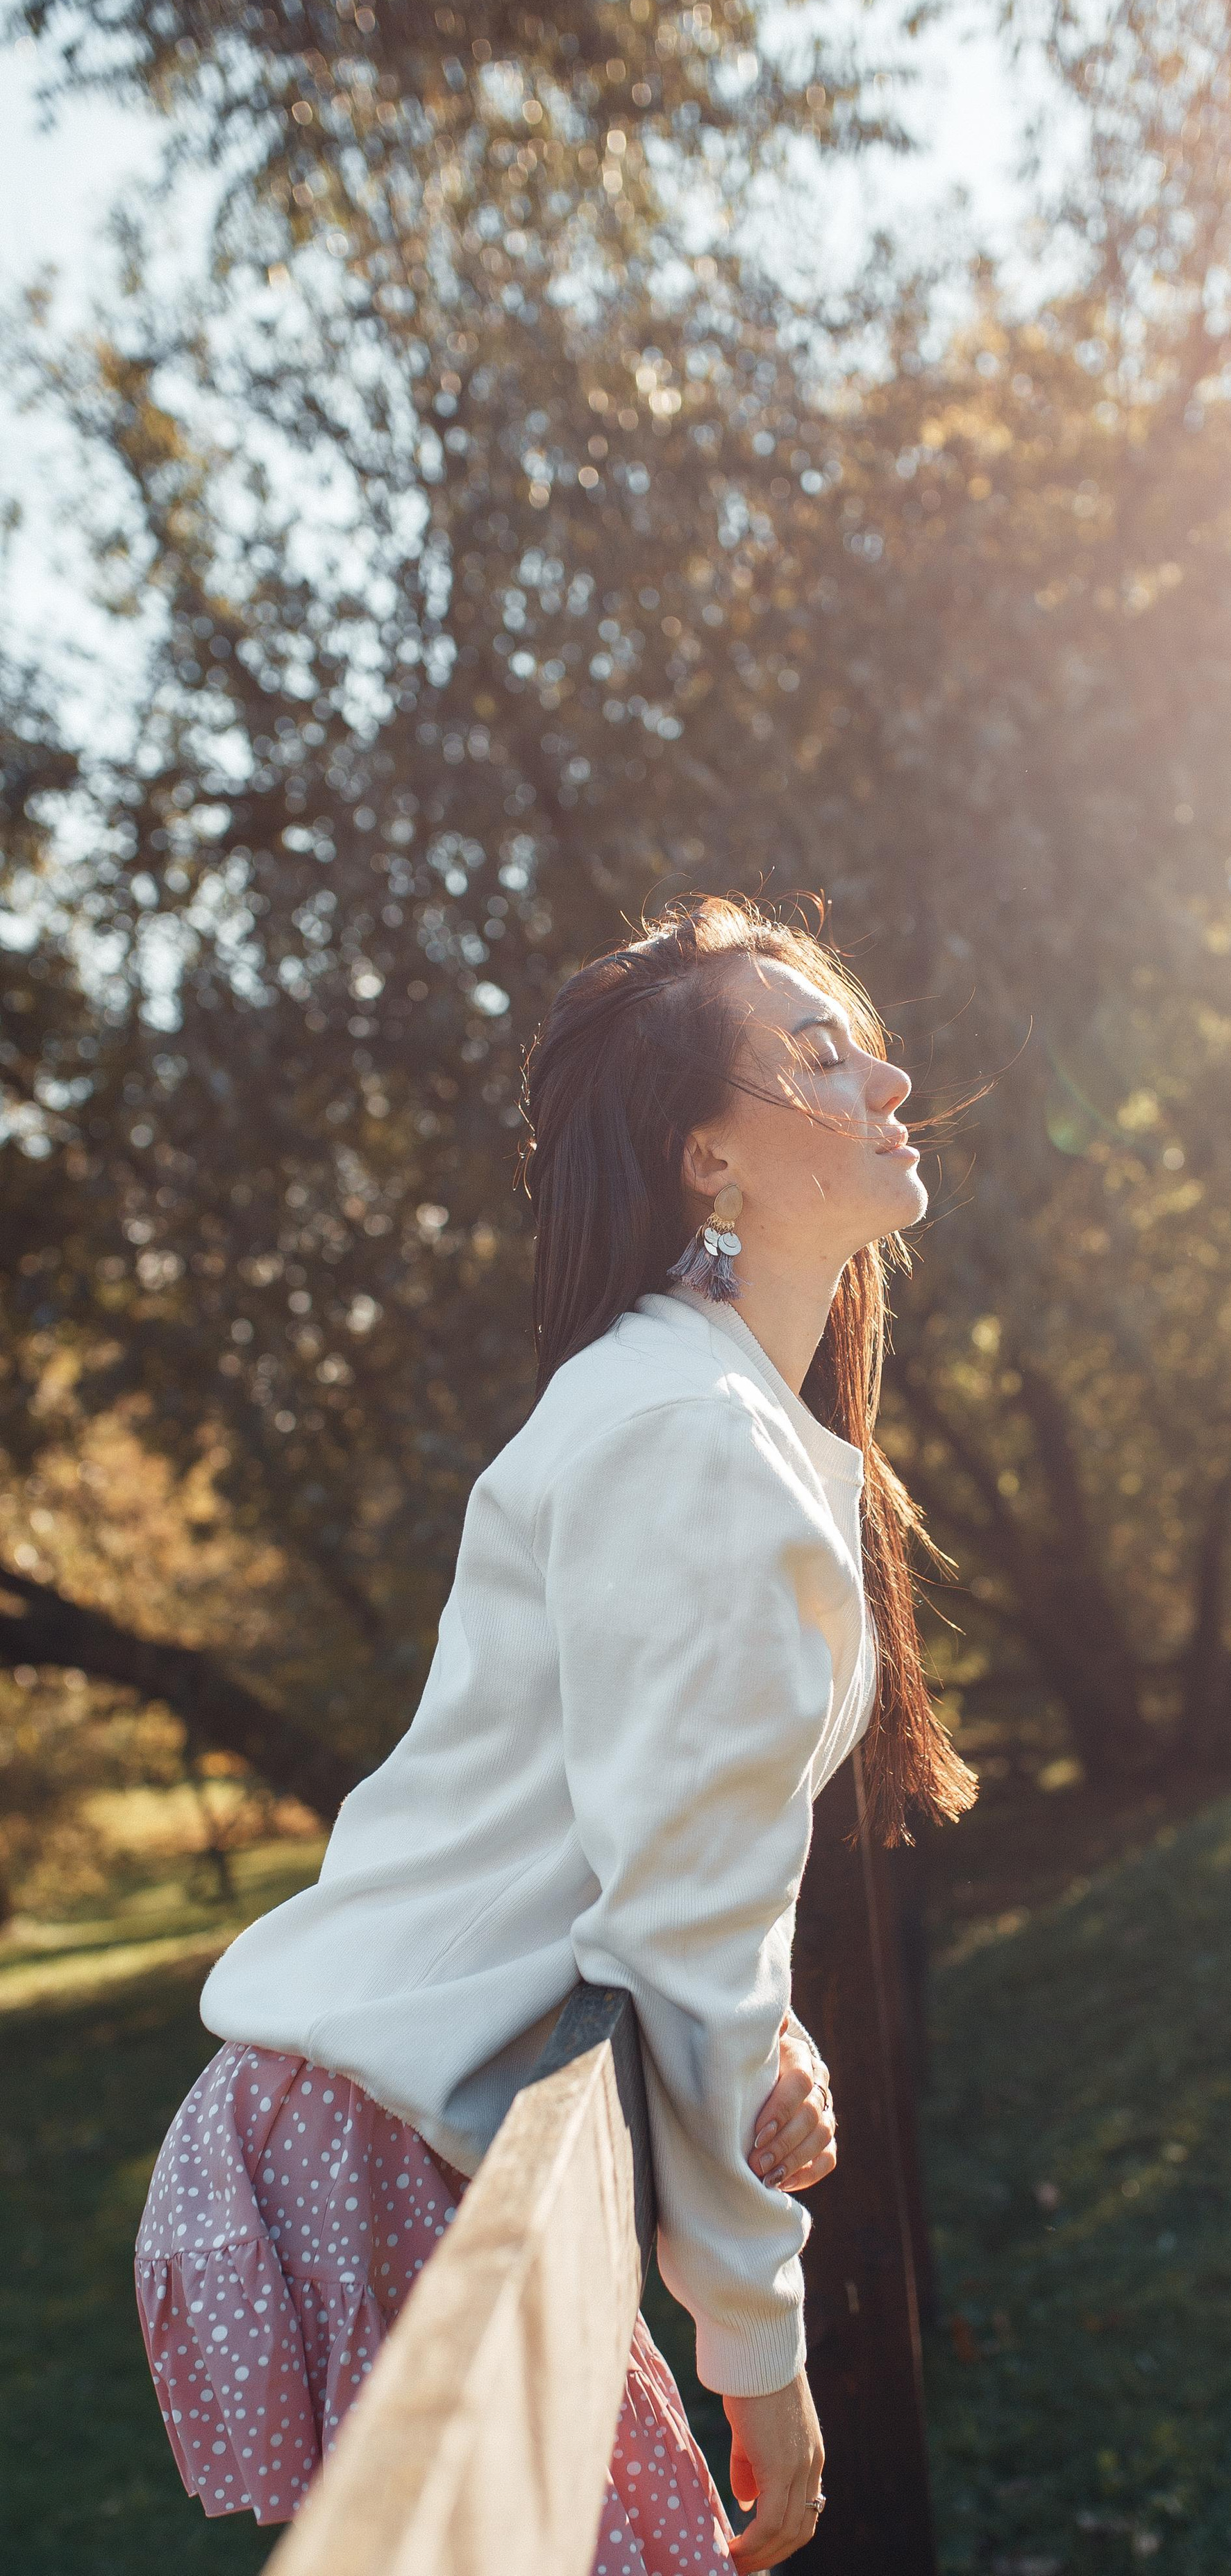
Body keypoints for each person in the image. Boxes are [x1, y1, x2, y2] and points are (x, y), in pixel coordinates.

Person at [133, 895, 976, 2572]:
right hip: (379, 2147)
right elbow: (679, 1910)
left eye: (862, 1040)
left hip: (389, 2123)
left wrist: (766, 2043)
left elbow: (660, 1847)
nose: (882, 1080)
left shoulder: (718, 1416)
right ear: (705, 1164)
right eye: (814, 1058)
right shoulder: (684, 1430)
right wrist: (761, 2350)